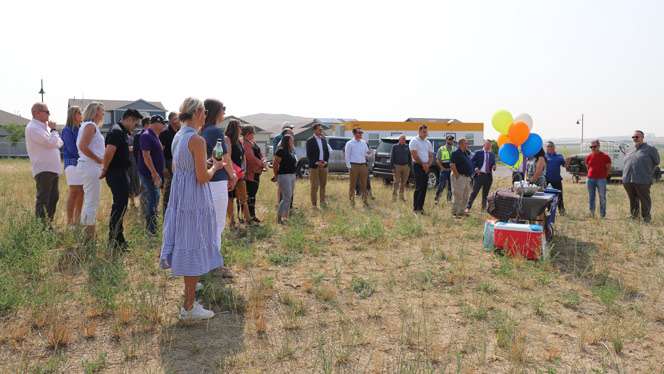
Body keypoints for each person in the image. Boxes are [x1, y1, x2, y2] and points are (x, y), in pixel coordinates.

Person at [159, 97, 226, 320]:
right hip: (194, 200)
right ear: (197, 112)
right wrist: (215, 168)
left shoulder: (179, 135)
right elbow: (201, 177)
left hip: (181, 197)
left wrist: (202, 164)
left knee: (187, 243)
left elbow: (177, 167)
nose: (206, 115)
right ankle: (188, 307)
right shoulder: (196, 139)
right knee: (194, 243)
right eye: (204, 112)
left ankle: (188, 299)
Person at [200, 99, 237, 278]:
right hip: (217, 182)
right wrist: (233, 175)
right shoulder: (214, 131)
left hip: (209, 181)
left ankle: (208, 261)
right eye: (223, 109)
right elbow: (223, 157)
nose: (224, 112)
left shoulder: (204, 130)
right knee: (217, 225)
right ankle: (215, 264)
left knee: (209, 224)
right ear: (216, 111)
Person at [100, 109, 143, 251]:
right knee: (119, 207)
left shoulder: (121, 131)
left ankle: (119, 239)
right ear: (129, 119)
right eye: (135, 124)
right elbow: (109, 152)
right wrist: (105, 170)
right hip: (116, 172)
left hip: (121, 171)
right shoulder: (117, 132)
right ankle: (115, 242)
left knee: (121, 207)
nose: (135, 128)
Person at [25, 102, 63, 227]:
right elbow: (51, 143)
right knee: (43, 199)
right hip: (43, 168)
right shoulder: (33, 128)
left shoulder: (44, 127)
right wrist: (53, 130)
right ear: (37, 112)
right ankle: (41, 228)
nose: (49, 114)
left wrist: (53, 133)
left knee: (54, 197)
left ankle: (47, 226)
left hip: (52, 168)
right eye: (47, 112)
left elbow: (59, 143)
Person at [76, 101, 106, 239]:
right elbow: (83, 146)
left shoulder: (88, 126)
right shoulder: (90, 125)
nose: (103, 113)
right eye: (101, 110)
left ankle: (89, 231)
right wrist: (99, 159)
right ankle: (88, 235)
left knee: (91, 200)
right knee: (91, 201)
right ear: (94, 111)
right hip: (90, 165)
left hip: (88, 165)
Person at [622, 130, 660, 223]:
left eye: (637, 137)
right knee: (632, 199)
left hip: (643, 179)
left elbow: (656, 163)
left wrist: (647, 172)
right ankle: (634, 216)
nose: (635, 139)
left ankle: (646, 218)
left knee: (644, 199)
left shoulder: (651, 149)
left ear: (642, 137)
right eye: (633, 137)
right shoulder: (629, 149)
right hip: (628, 179)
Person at [137, 115, 166, 235]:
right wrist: (153, 172)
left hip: (155, 173)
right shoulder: (147, 135)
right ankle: (151, 227)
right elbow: (146, 155)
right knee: (153, 198)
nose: (164, 125)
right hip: (149, 173)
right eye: (162, 123)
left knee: (156, 197)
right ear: (155, 124)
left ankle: (152, 224)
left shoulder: (154, 136)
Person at [61, 106, 84, 228]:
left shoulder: (81, 129)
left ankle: (77, 220)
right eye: (79, 112)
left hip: (81, 163)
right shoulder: (67, 130)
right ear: (73, 114)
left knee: (81, 192)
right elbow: (71, 148)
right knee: (74, 191)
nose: (81, 114)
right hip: (72, 163)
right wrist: (84, 156)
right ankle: (69, 222)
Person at [225, 119, 251, 226]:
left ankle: (247, 219)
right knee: (230, 198)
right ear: (235, 128)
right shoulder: (228, 140)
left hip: (240, 173)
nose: (242, 129)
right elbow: (228, 157)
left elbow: (243, 156)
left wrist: (243, 168)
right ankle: (232, 222)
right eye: (240, 127)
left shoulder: (239, 141)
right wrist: (234, 172)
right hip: (231, 173)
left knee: (243, 197)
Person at [243, 125, 267, 220]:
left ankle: (252, 215)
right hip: (250, 173)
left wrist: (264, 160)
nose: (254, 134)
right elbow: (251, 159)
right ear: (248, 133)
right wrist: (262, 164)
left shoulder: (252, 141)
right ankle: (250, 216)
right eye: (253, 132)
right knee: (250, 195)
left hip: (257, 171)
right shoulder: (244, 143)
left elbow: (260, 152)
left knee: (253, 194)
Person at [272, 134, 297, 224]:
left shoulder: (291, 151)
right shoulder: (280, 151)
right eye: (291, 140)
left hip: (292, 175)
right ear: (287, 141)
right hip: (284, 176)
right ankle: (279, 218)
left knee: (289, 197)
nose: (293, 142)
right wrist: (276, 176)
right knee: (286, 197)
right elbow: (275, 165)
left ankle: (285, 215)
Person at [466, 139, 497, 212]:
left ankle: (483, 208)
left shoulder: (492, 155)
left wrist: (494, 166)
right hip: (479, 175)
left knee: (485, 193)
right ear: (484, 145)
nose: (489, 147)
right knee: (475, 192)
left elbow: (493, 163)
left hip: (488, 176)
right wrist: (475, 168)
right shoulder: (478, 152)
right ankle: (468, 207)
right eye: (487, 145)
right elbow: (471, 161)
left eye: (490, 146)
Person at [159, 112, 181, 213]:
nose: (180, 121)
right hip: (168, 162)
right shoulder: (165, 133)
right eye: (178, 119)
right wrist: (163, 167)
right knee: (169, 188)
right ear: (173, 120)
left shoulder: (179, 132)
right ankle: (166, 212)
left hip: (177, 162)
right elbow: (160, 152)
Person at [344, 127, 372, 206]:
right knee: (352, 185)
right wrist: (349, 167)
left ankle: (365, 201)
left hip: (363, 165)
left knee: (364, 184)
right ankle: (352, 201)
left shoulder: (363, 143)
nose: (361, 134)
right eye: (359, 133)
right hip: (354, 166)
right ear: (354, 134)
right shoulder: (349, 143)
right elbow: (347, 156)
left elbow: (366, 153)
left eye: (361, 133)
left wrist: (368, 153)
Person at [409, 125, 434, 214]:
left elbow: (431, 155)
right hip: (417, 165)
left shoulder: (428, 142)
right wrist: (423, 164)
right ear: (419, 132)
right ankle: (415, 208)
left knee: (424, 187)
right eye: (423, 132)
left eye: (426, 132)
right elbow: (414, 155)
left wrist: (429, 164)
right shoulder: (414, 141)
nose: (425, 134)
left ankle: (421, 207)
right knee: (419, 186)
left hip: (426, 166)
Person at [584, 140, 611, 218]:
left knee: (602, 196)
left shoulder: (605, 156)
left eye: (594, 146)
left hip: (601, 179)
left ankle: (602, 214)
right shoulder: (589, 156)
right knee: (591, 196)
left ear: (599, 146)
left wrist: (604, 175)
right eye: (591, 147)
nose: (592, 148)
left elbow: (608, 168)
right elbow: (588, 167)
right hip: (590, 179)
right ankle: (591, 213)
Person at [305, 123, 329, 207]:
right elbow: (309, 154)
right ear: (314, 130)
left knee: (323, 184)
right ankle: (314, 203)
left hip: (324, 165)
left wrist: (325, 161)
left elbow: (327, 152)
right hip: (314, 166)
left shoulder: (323, 140)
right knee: (314, 185)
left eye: (321, 129)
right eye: (319, 129)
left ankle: (322, 202)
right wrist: (316, 162)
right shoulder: (310, 140)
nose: (321, 130)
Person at [545, 141, 571, 215]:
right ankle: (548, 210)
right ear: (546, 148)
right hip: (546, 179)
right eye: (548, 146)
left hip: (556, 179)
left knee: (559, 195)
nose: (549, 147)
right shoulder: (544, 156)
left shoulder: (559, 156)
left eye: (551, 146)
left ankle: (562, 211)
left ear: (554, 147)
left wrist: (568, 161)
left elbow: (565, 165)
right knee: (545, 196)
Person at [449, 138, 473, 218]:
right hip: (460, 176)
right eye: (466, 143)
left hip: (466, 177)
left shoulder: (464, 153)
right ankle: (454, 212)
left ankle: (461, 211)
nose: (467, 145)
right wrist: (457, 175)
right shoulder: (456, 153)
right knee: (458, 195)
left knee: (466, 195)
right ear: (462, 144)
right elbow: (452, 164)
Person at [434, 135, 456, 204]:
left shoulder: (455, 149)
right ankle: (437, 199)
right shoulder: (441, 148)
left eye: (452, 140)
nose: (451, 141)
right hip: (444, 170)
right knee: (441, 185)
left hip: (452, 170)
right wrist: (442, 167)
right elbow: (438, 160)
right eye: (449, 140)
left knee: (451, 185)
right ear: (446, 140)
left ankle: (449, 199)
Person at [390, 134, 411, 201]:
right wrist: (392, 167)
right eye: (402, 138)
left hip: (405, 166)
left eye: (405, 139)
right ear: (399, 139)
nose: (404, 140)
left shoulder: (407, 146)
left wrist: (409, 166)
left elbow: (409, 156)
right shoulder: (395, 146)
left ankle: (401, 197)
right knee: (396, 181)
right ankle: (394, 197)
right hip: (397, 166)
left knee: (403, 182)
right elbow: (392, 157)